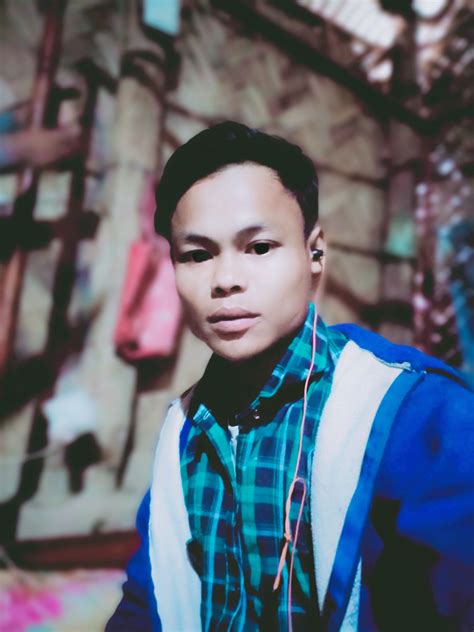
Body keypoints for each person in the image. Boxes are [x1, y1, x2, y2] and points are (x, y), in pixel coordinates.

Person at [107, 121, 473, 631]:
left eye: (259, 247)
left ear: (314, 252)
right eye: (197, 255)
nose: (226, 280)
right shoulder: (183, 431)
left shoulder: (418, 413)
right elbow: (148, 603)